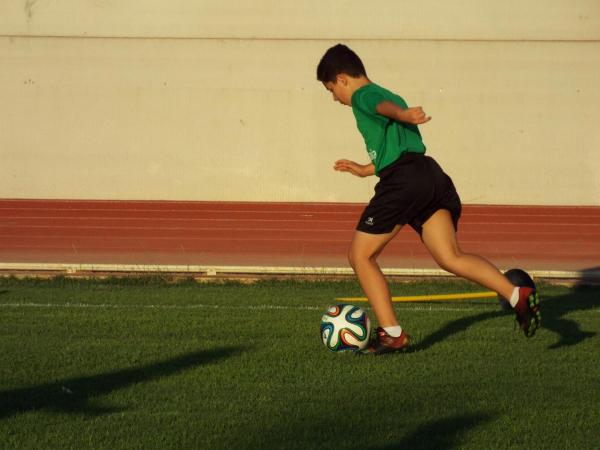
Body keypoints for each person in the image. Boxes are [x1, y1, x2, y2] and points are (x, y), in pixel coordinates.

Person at [316, 44, 541, 354]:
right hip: (429, 175)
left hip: (404, 182)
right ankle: (517, 295)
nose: (334, 98)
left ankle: (392, 333)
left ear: (342, 79)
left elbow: (382, 108)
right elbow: (398, 145)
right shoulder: (389, 92)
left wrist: (402, 114)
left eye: (331, 90)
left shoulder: (363, 96)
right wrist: (366, 169)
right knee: (451, 257)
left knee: (360, 256)